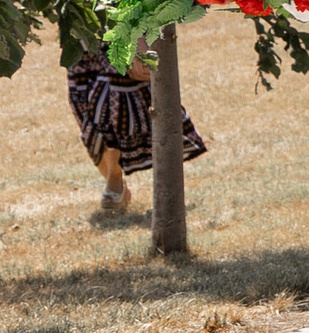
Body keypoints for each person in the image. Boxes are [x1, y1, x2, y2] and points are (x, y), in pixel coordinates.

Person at [66, 43, 206, 211]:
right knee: (86, 118)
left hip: (120, 32)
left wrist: (138, 42)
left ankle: (115, 181)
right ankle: (115, 179)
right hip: (79, 37)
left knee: (108, 108)